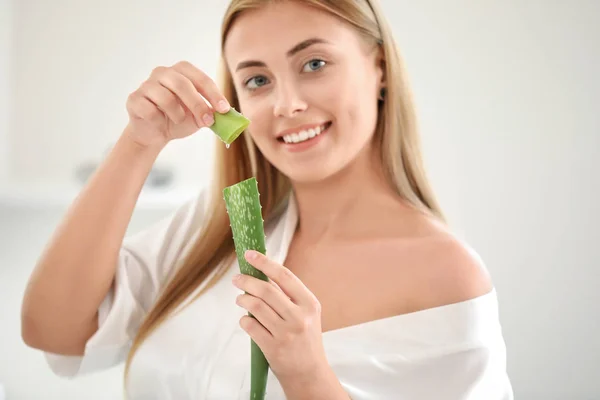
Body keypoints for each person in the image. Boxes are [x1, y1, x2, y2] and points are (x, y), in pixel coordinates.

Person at [20, 0, 514, 399]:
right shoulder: (217, 227)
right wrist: (138, 143)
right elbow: (53, 330)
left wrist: (307, 377)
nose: (286, 105)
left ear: (379, 69)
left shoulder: (446, 275)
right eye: (257, 80)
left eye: (314, 64)